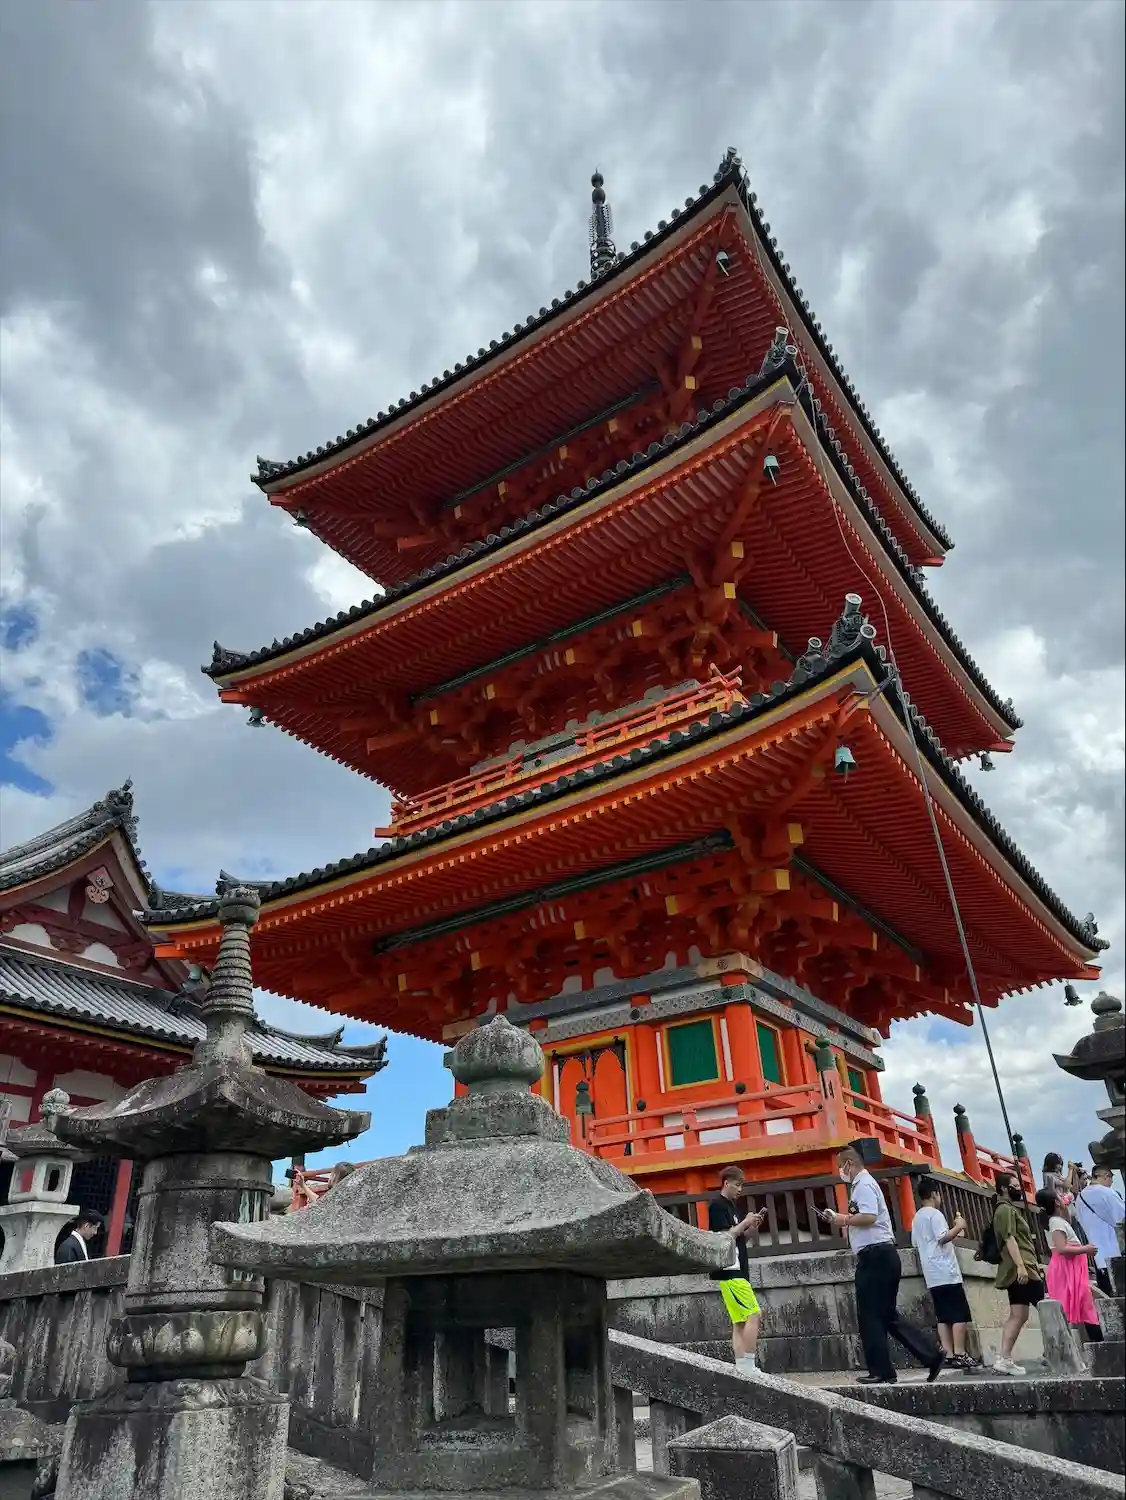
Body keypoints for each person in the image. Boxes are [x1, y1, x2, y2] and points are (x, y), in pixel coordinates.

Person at [824, 1144, 943, 1385]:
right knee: (886, 1314)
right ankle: (930, 1356)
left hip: (875, 1255)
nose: (840, 1171)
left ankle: (881, 1371)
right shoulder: (864, 1185)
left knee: (870, 1314)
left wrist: (842, 1219)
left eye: (840, 1166)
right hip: (882, 1255)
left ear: (849, 1164)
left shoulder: (863, 1185)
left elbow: (869, 1217)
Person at [910, 1177, 979, 1369]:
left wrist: (954, 1231)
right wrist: (959, 1226)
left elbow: (916, 1242)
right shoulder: (935, 1214)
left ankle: (947, 1354)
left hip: (932, 1274)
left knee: (943, 1316)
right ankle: (960, 1353)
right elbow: (942, 1238)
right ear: (934, 1194)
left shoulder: (917, 1217)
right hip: (946, 1271)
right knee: (958, 1314)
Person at [707, 1165, 766, 1375]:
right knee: (754, 1314)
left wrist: (751, 1227)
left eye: (742, 1185)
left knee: (739, 1321)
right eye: (737, 1185)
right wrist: (745, 1222)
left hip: (737, 1267)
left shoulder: (732, 1206)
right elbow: (724, 1237)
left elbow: (739, 1238)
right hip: (730, 1269)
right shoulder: (717, 1205)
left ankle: (741, 1366)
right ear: (726, 1183)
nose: (740, 1189)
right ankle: (749, 1365)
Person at [990, 1170, 1046, 1376]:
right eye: (1014, 1185)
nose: (1017, 1188)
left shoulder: (1006, 1209)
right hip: (1023, 1269)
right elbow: (1009, 1238)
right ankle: (1058, 1352)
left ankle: (1004, 1358)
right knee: (1048, 1309)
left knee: (1019, 1314)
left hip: (1019, 1268)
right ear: (1004, 1188)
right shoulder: (1005, 1210)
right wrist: (1021, 1266)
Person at [1037, 1188, 1103, 1343]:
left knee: (1083, 1304)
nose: (1063, 1197)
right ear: (1056, 1202)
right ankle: (1097, 1342)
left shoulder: (1058, 1220)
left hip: (1071, 1267)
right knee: (1077, 1305)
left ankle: (1096, 1341)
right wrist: (1085, 1249)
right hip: (1067, 1268)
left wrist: (1063, 1206)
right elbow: (1062, 1248)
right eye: (1060, 1196)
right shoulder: (1055, 1223)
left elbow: (1068, 1218)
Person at [1075, 1164, 1125, 1297]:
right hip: (1115, 1254)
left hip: (1098, 1257)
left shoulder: (1080, 1198)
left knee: (1108, 1297)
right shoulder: (1107, 1193)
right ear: (1106, 1176)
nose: (1111, 1183)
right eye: (1111, 1180)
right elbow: (1122, 1217)